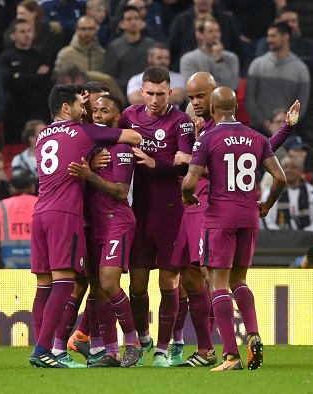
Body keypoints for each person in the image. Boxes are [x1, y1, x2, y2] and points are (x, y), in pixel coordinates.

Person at [171, 72, 299, 367]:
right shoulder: (254, 137)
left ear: (214, 107)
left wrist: (188, 195)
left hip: (219, 215)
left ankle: (230, 354)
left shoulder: (208, 138)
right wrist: (265, 204)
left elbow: (189, 183)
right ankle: (253, 333)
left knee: (217, 283)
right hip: (249, 216)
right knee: (239, 280)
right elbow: (279, 177)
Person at [28, 83, 141, 369]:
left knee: (44, 285)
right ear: (67, 107)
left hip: (39, 210)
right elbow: (132, 136)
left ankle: (46, 349)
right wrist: (93, 152)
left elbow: (65, 152)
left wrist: (89, 153)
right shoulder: (82, 132)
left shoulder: (41, 135)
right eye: (83, 105)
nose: (88, 111)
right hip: (66, 214)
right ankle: (45, 350)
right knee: (65, 283)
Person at [118, 66, 195, 368]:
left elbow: (187, 166)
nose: (153, 99)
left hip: (172, 212)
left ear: (170, 93)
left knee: (168, 282)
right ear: (141, 91)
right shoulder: (129, 117)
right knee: (136, 284)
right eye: (148, 93)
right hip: (139, 210)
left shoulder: (182, 123)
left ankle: (164, 349)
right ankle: (144, 338)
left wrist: (154, 162)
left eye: (160, 94)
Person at [65, 94, 142, 367]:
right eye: (94, 110)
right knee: (97, 290)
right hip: (94, 224)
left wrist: (90, 176)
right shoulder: (89, 148)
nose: (98, 115)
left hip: (117, 221)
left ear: (117, 116)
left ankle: (132, 342)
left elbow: (121, 192)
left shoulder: (121, 149)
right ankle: (111, 352)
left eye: (105, 111)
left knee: (109, 283)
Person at [246, 22, 310, 134]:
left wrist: (286, 124)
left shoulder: (301, 69)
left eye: (273, 36)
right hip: (258, 130)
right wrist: (264, 123)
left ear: (285, 37)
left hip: (287, 133)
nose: (268, 40)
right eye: (268, 36)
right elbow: (250, 99)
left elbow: (301, 105)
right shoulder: (257, 65)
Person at [0, 18, 52, 146]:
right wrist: (34, 77)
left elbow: (44, 82)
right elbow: (9, 82)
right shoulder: (5, 58)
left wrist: (20, 76)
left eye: (29, 31)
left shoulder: (41, 56)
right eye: (22, 31)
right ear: (13, 35)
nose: (27, 35)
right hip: (14, 114)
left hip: (38, 112)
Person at [167, 0, 244, 73]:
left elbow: (237, 48)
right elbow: (173, 49)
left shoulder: (226, 20)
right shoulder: (180, 21)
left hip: (221, 72)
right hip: (188, 71)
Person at [261, 154, 313, 233]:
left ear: (302, 170)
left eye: (293, 167)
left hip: (307, 240)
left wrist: (302, 236)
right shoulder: (270, 194)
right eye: (285, 167)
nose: (288, 170)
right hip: (276, 241)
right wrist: (283, 237)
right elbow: (265, 221)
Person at [254, 6, 313, 81]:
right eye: (286, 21)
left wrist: (283, 61)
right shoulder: (265, 43)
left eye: (294, 21)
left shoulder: (307, 44)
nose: (291, 25)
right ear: (277, 22)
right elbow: (263, 64)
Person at [0, 170, 37, 269]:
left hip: (8, 270)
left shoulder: (0, 207)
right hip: (40, 270)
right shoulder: (44, 205)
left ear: (12, 189)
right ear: (32, 187)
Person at [103, 5, 157, 95]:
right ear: (121, 24)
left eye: (136, 18)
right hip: (124, 93)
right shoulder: (114, 47)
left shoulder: (151, 44)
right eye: (129, 19)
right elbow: (110, 77)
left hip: (151, 91)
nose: (133, 22)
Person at [180, 14, 240, 91]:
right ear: (200, 35)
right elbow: (192, 90)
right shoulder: (188, 59)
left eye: (217, 31)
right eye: (210, 31)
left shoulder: (231, 58)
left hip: (225, 102)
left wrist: (219, 61)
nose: (216, 35)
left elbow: (232, 86)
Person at [126, 43, 187, 107]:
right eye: (159, 58)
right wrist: (165, 98)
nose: (163, 61)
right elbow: (135, 100)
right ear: (150, 58)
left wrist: (148, 98)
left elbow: (178, 97)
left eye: (166, 58)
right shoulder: (136, 79)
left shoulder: (178, 78)